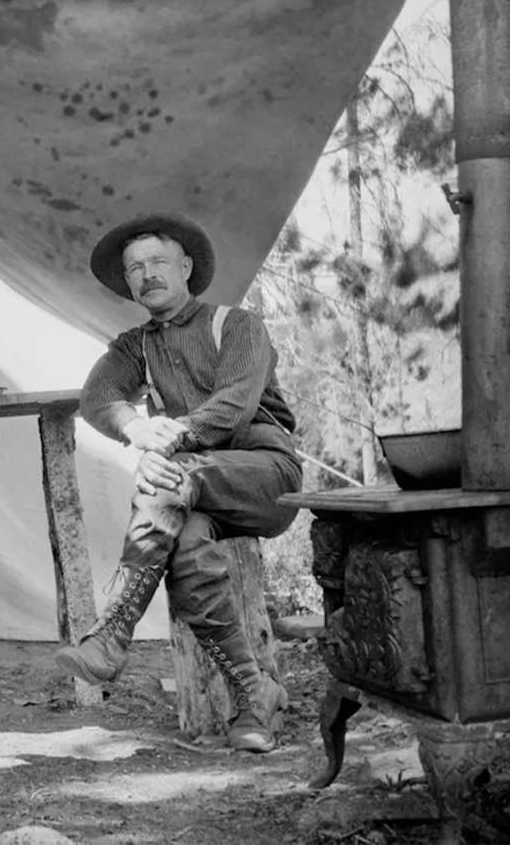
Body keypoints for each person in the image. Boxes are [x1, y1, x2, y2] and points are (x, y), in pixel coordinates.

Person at [55, 212, 301, 753]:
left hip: (265, 474)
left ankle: (115, 628)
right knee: (187, 548)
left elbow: (234, 410)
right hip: (195, 491)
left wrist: (168, 441)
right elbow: (97, 398)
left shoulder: (236, 325)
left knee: (170, 477)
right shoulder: (134, 346)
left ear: (186, 266)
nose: (147, 275)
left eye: (158, 262)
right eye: (135, 268)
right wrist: (136, 428)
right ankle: (255, 696)